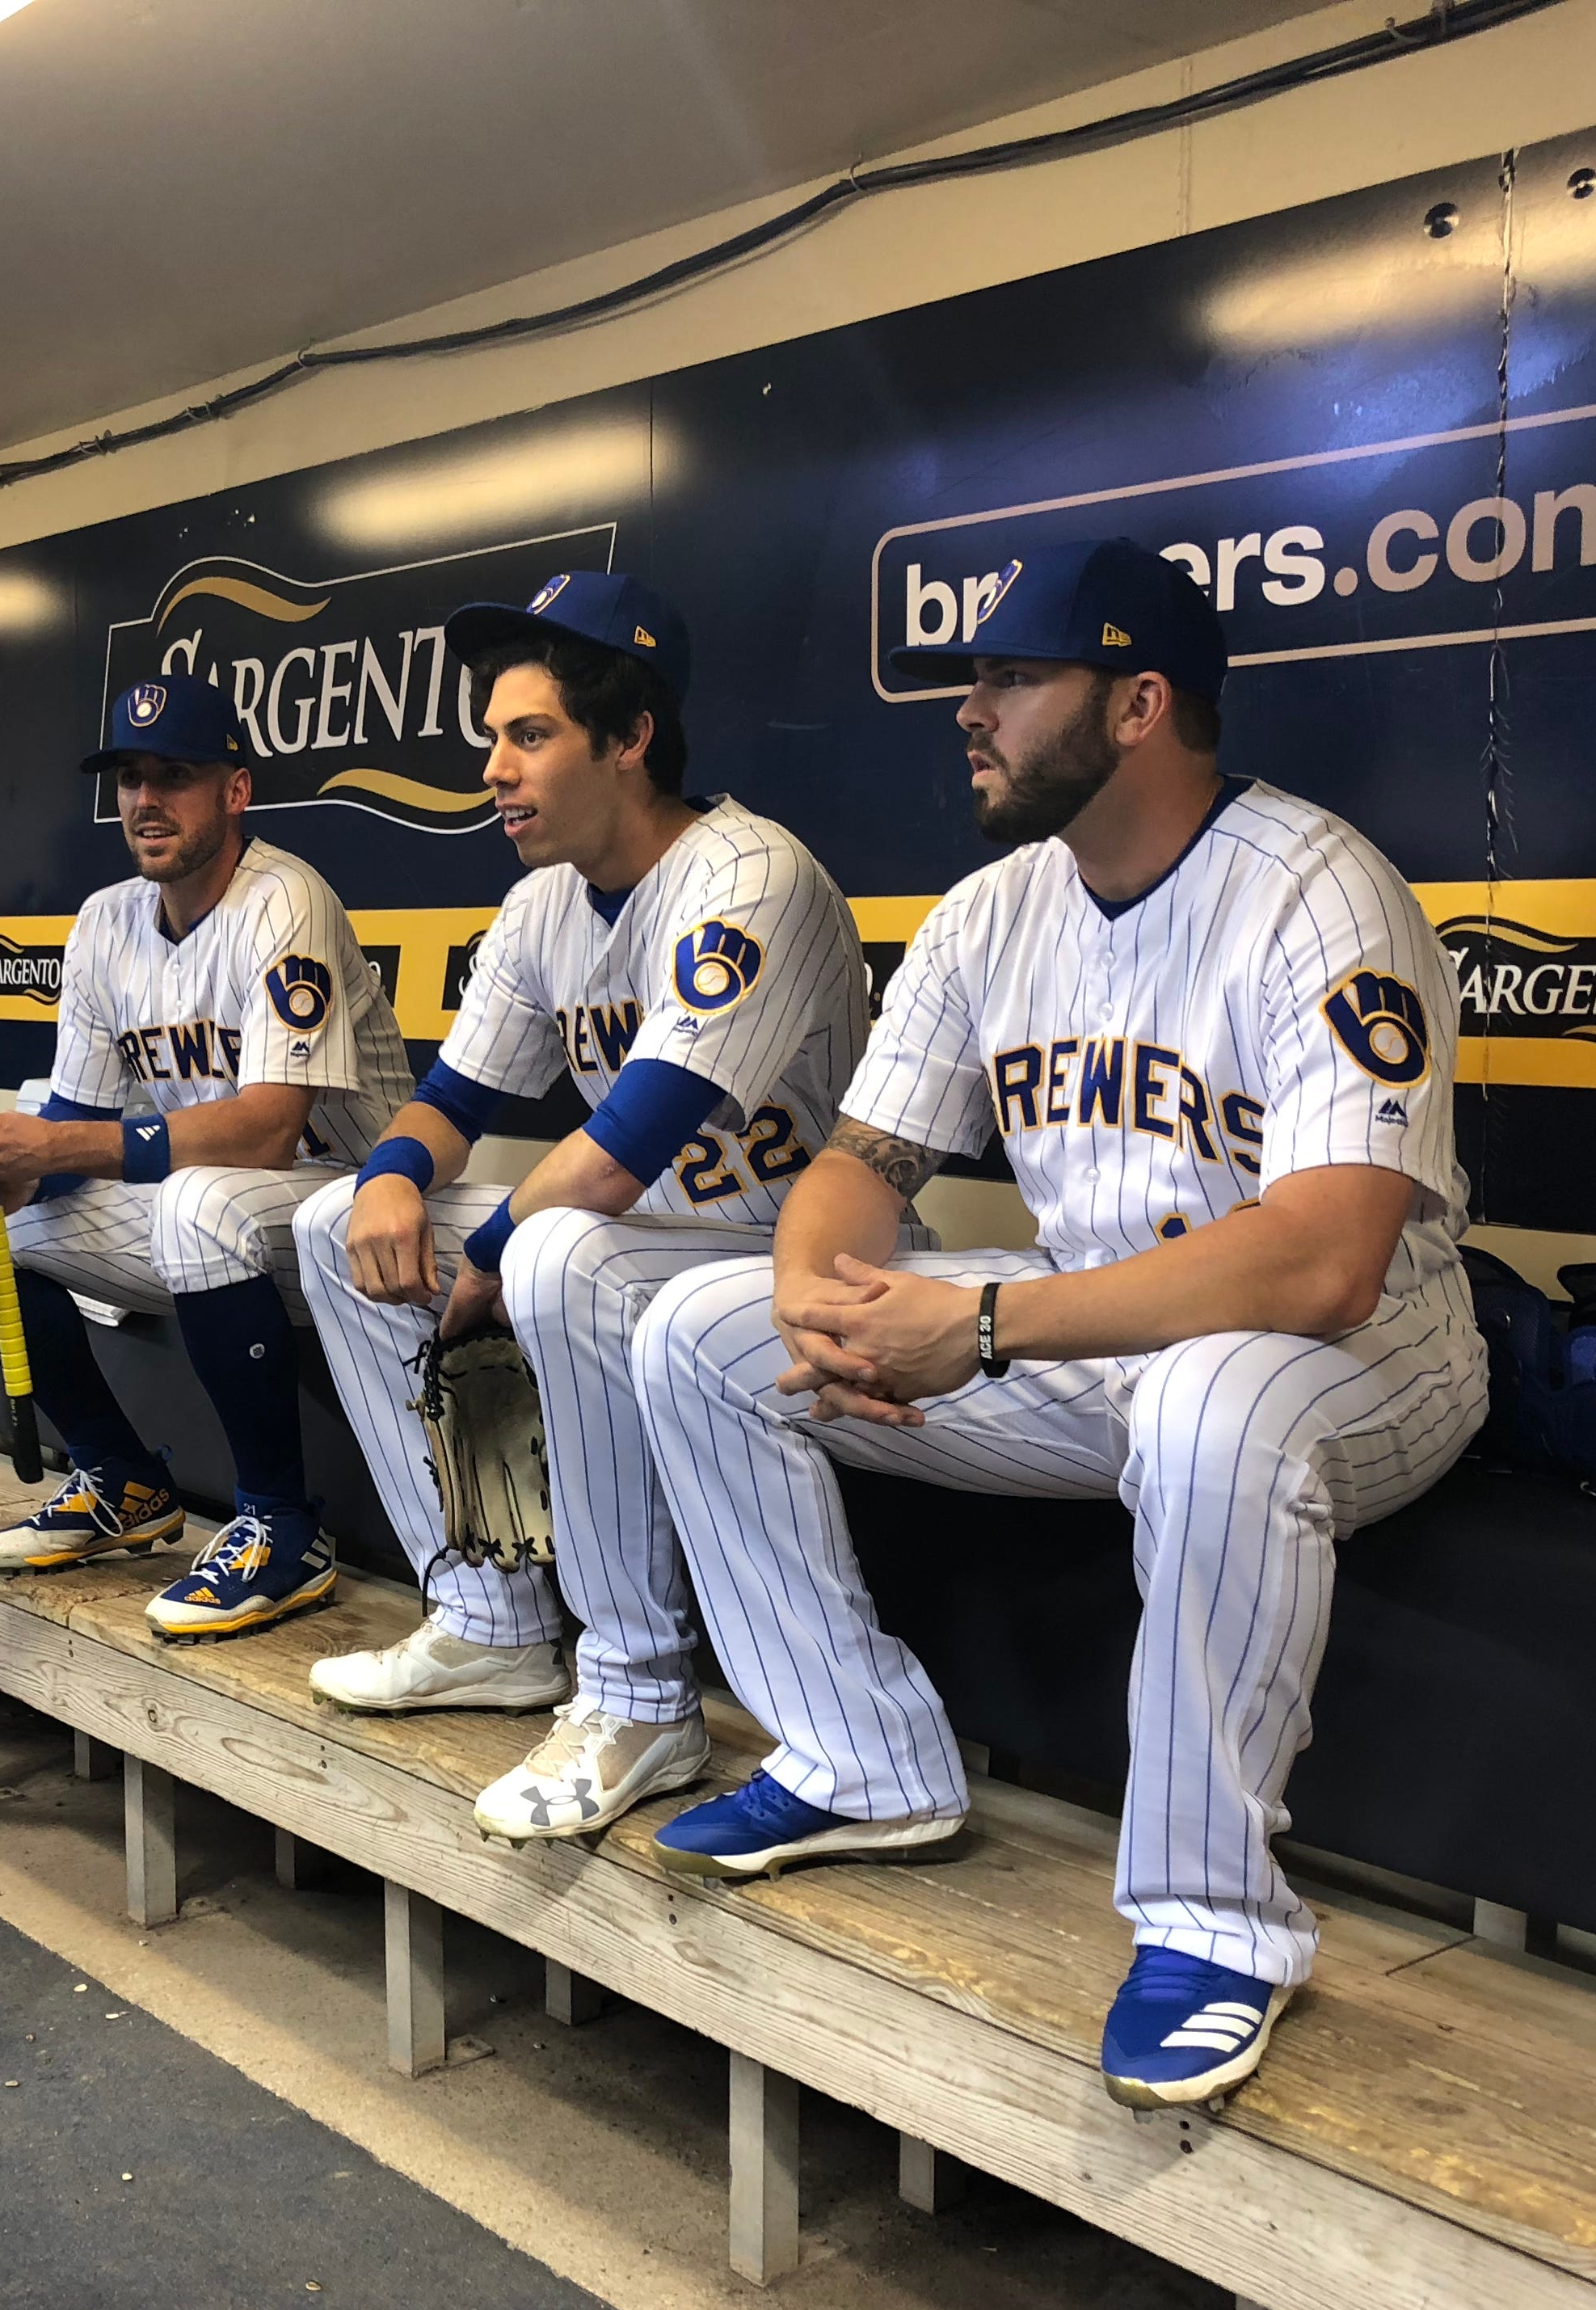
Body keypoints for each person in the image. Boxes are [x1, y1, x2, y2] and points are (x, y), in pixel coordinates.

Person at [630, 537, 1487, 2110]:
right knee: (700, 1327)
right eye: (975, 678)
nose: (974, 710)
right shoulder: (991, 913)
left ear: (1141, 701)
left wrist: (992, 1327)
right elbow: (859, 1163)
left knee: (1209, 1406)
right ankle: (856, 1758)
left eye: (1015, 679)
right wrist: (822, 1305)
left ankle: (1212, 1923)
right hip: (1091, 1334)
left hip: (1362, 1364)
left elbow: (1325, 1261)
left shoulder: (1317, 891)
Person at [297, 573, 879, 1842]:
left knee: (553, 1246)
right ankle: (492, 1624)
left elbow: (623, 1149)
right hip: (635, 1244)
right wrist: (393, 1177)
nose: (495, 771)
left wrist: (490, 1254)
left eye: (530, 737)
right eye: (492, 741)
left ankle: (638, 1693)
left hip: (778, 1256)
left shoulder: (748, 875)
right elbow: (449, 1102)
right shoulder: (543, 902)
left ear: (629, 741)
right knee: (331, 1222)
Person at [0, 673, 411, 1639]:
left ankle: (281, 1523)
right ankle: (122, 1479)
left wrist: (61, 1143)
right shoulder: (108, 919)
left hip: (355, 1210)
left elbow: (270, 1127)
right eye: (130, 779)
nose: (147, 801)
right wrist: (19, 1166)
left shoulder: (286, 899)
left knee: (201, 1203)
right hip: (223, 1213)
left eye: (176, 775)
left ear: (236, 790)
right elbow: (80, 1107)